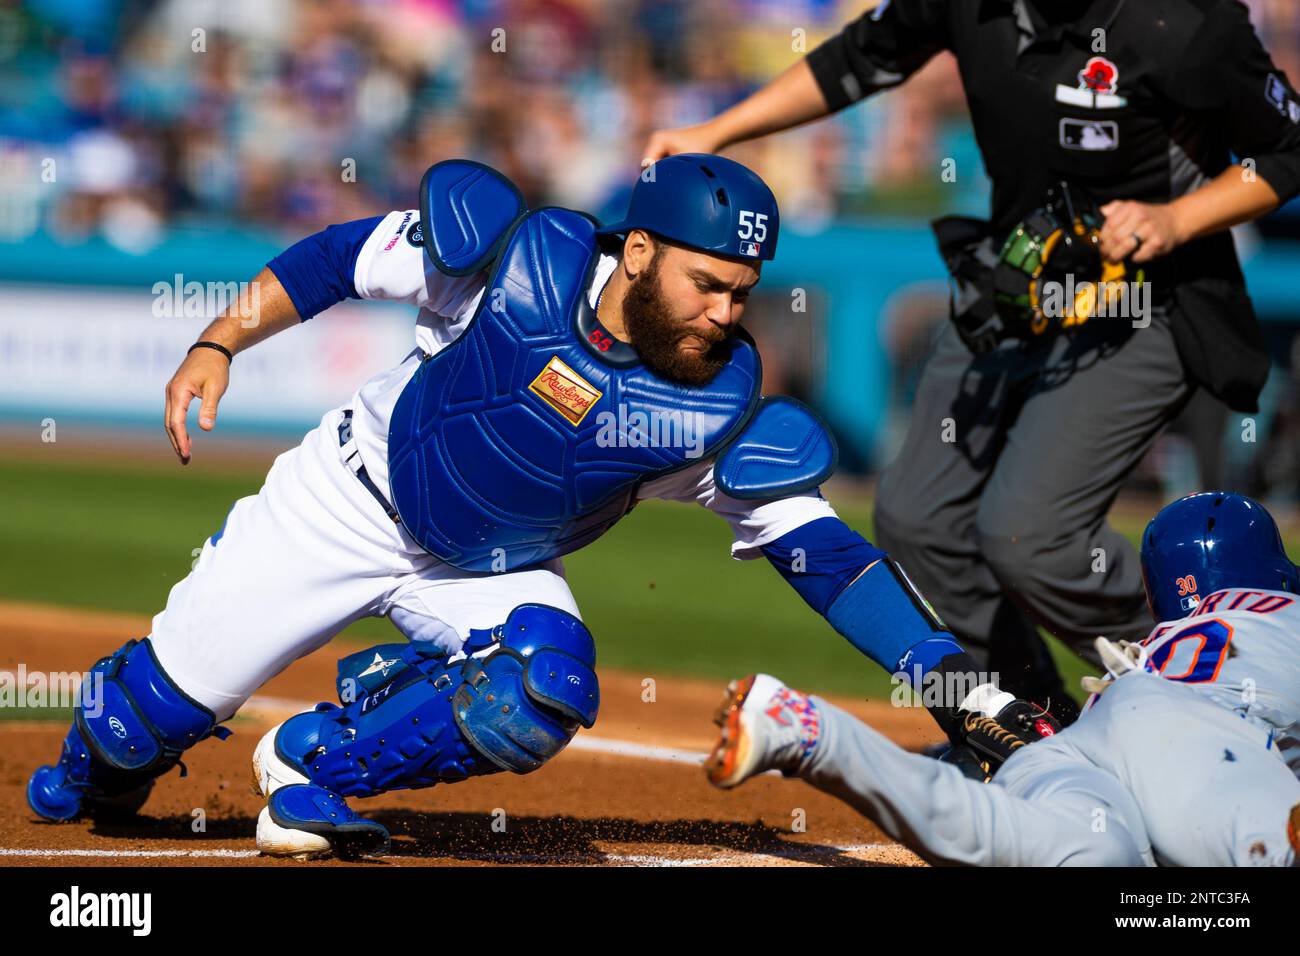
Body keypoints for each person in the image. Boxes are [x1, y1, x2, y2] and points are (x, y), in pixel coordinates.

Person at [27, 155, 1049, 860]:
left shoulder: (708, 409)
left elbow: (825, 555)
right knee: (127, 737)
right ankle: (101, 755)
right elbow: (339, 256)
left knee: (544, 684)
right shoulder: (511, 257)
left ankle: (310, 759)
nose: (726, 313)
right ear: (640, 250)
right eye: (707, 283)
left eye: (742, 292)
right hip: (346, 498)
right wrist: (218, 343)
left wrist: (952, 684)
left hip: (489, 568)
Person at [644, 0, 1300, 717]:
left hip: (1146, 302)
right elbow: (858, 59)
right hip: (1015, 285)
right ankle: (1033, 729)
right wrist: (718, 129)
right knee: (915, 518)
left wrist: (1175, 219)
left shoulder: (1179, 22)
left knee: (1031, 537)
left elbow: (1289, 147)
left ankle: (1231, 682)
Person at [706, 492, 1300, 866]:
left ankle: (810, 732)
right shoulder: (1285, 614)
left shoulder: (1170, 644)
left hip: (1090, 737)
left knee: (1065, 847)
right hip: (1202, 755)